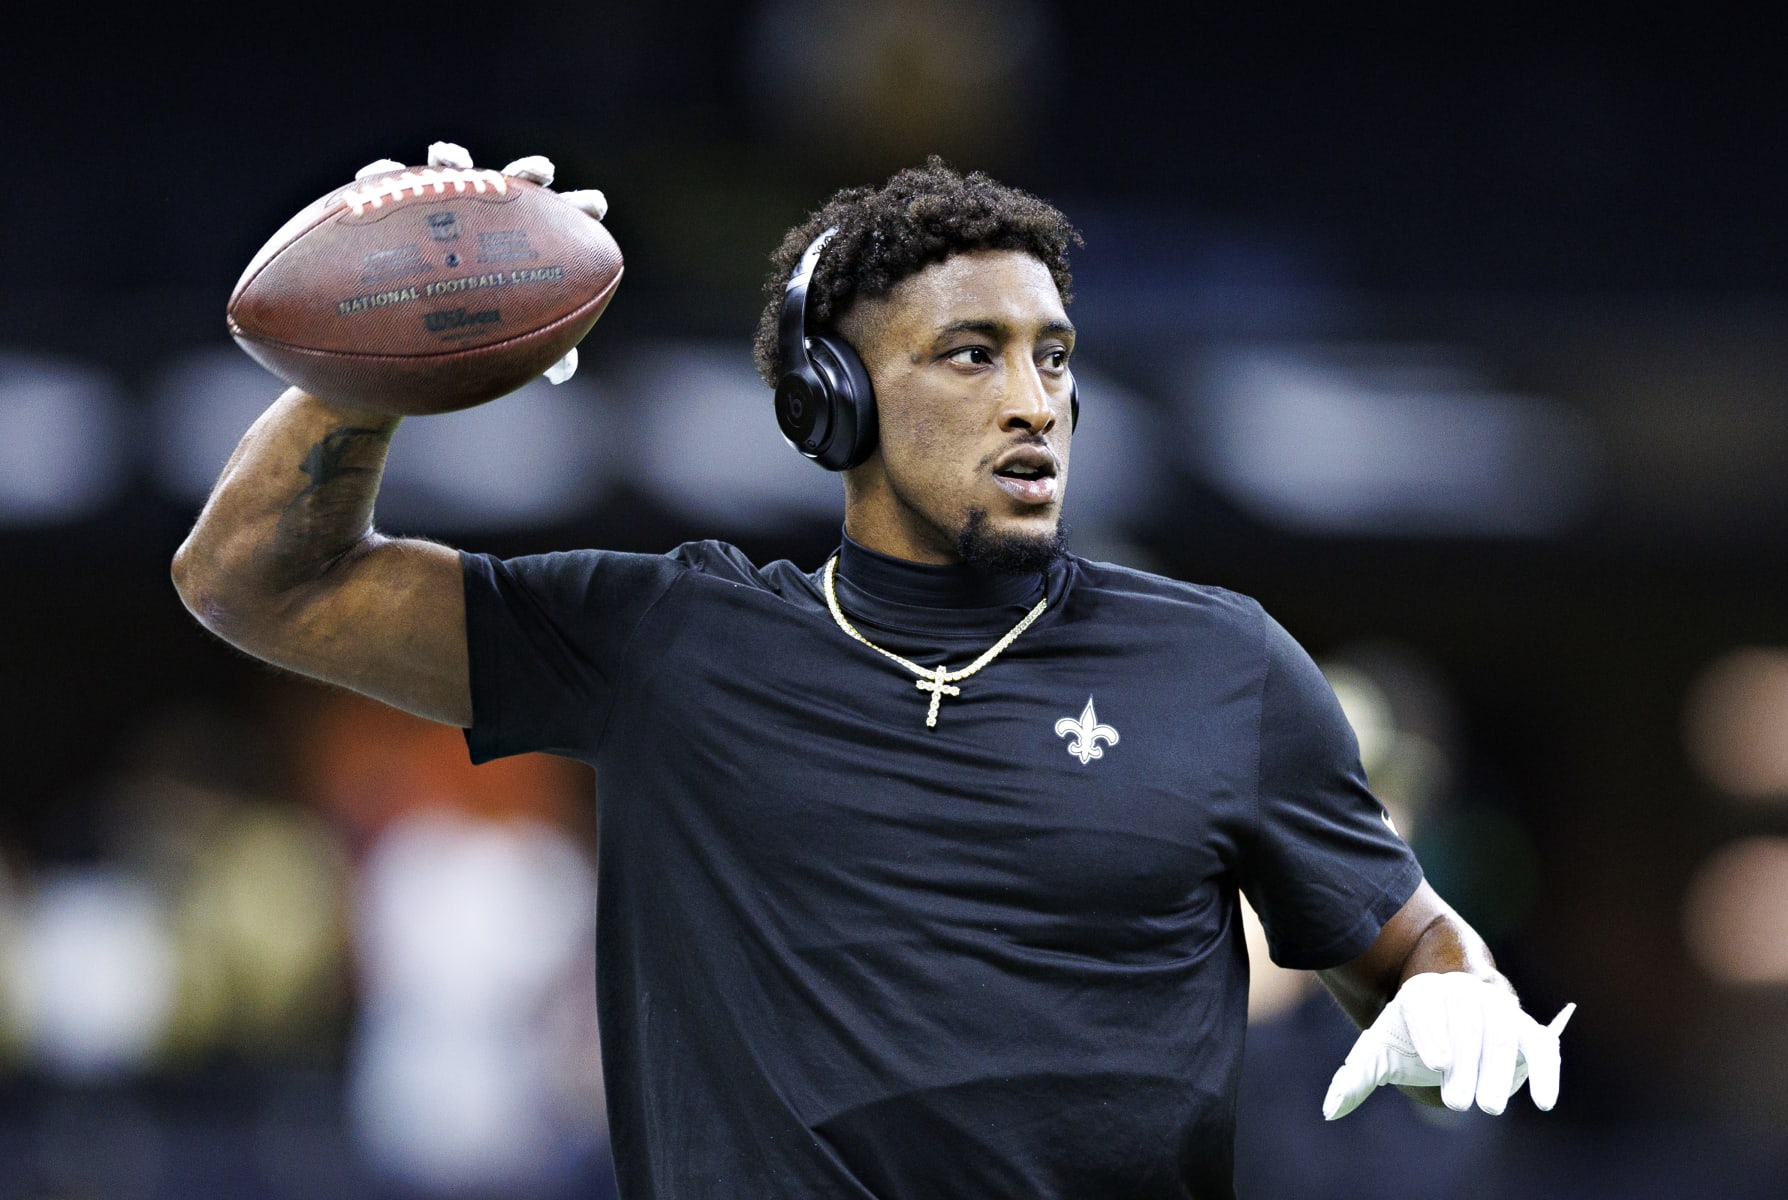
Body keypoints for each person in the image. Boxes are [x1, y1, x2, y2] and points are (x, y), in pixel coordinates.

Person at [172, 148, 1572, 1199]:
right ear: (832, 395)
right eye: (973, 355)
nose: (1036, 402)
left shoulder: (1221, 664)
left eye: (1054, 357)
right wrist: (365, 374)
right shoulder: (672, 646)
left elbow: (1406, 947)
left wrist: (1458, 1001)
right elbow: (254, 581)